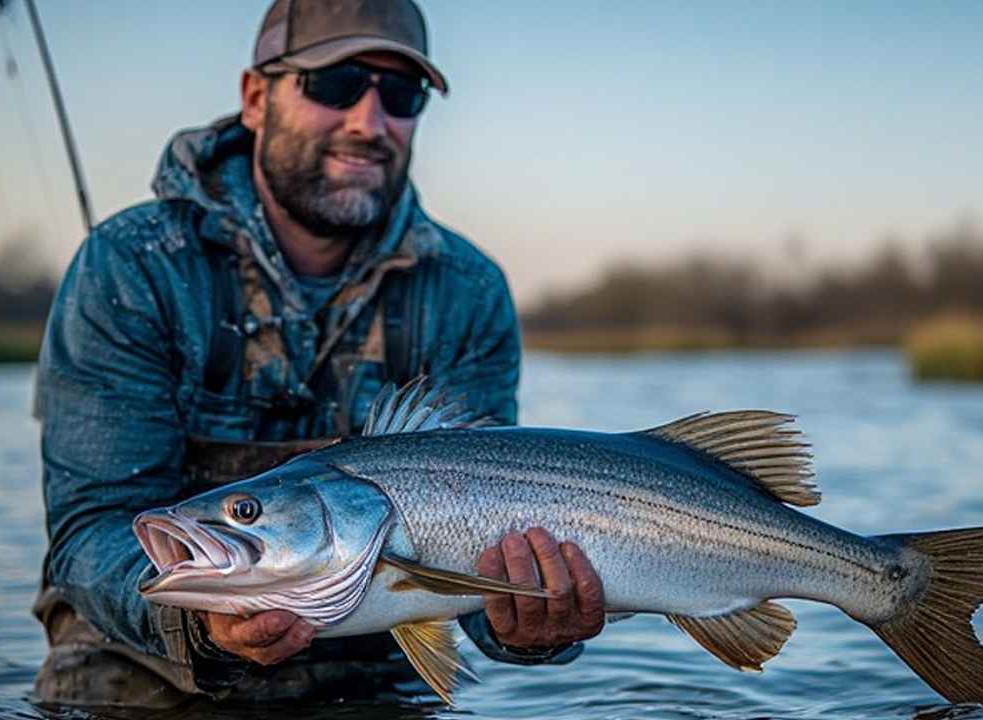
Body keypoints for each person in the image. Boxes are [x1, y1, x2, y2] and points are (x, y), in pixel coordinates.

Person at [32, 0, 604, 707]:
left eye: (400, 94)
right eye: (334, 84)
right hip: (139, 668)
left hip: (375, 674)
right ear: (254, 97)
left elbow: (482, 588)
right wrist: (201, 623)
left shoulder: (468, 289)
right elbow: (91, 530)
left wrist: (529, 626)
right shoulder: (131, 266)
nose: (368, 122)